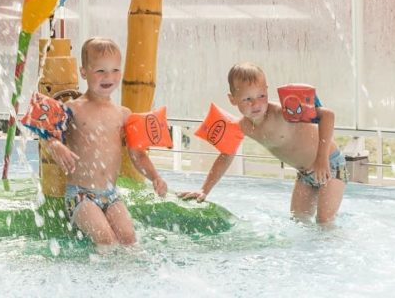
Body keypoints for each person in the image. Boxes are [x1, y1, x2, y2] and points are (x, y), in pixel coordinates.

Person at [178, 62, 346, 224]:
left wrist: (321, 159)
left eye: (261, 96)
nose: (256, 103)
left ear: (267, 91)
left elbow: (327, 115)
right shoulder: (242, 127)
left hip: (330, 165)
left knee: (324, 221)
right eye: (247, 99)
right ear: (232, 99)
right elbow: (226, 156)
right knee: (298, 221)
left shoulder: (283, 112)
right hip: (305, 175)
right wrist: (204, 190)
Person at [43, 37, 168, 246]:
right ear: (84, 73)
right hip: (80, 195)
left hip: (111, 195)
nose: (108, 76)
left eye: (115, 70)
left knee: (129, 239)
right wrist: (56, 146)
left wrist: (155, 176)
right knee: (105, 239)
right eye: (100, 71)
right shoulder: (73, 108)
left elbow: (137, 154)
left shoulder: (123, 114)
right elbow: (47, 133)